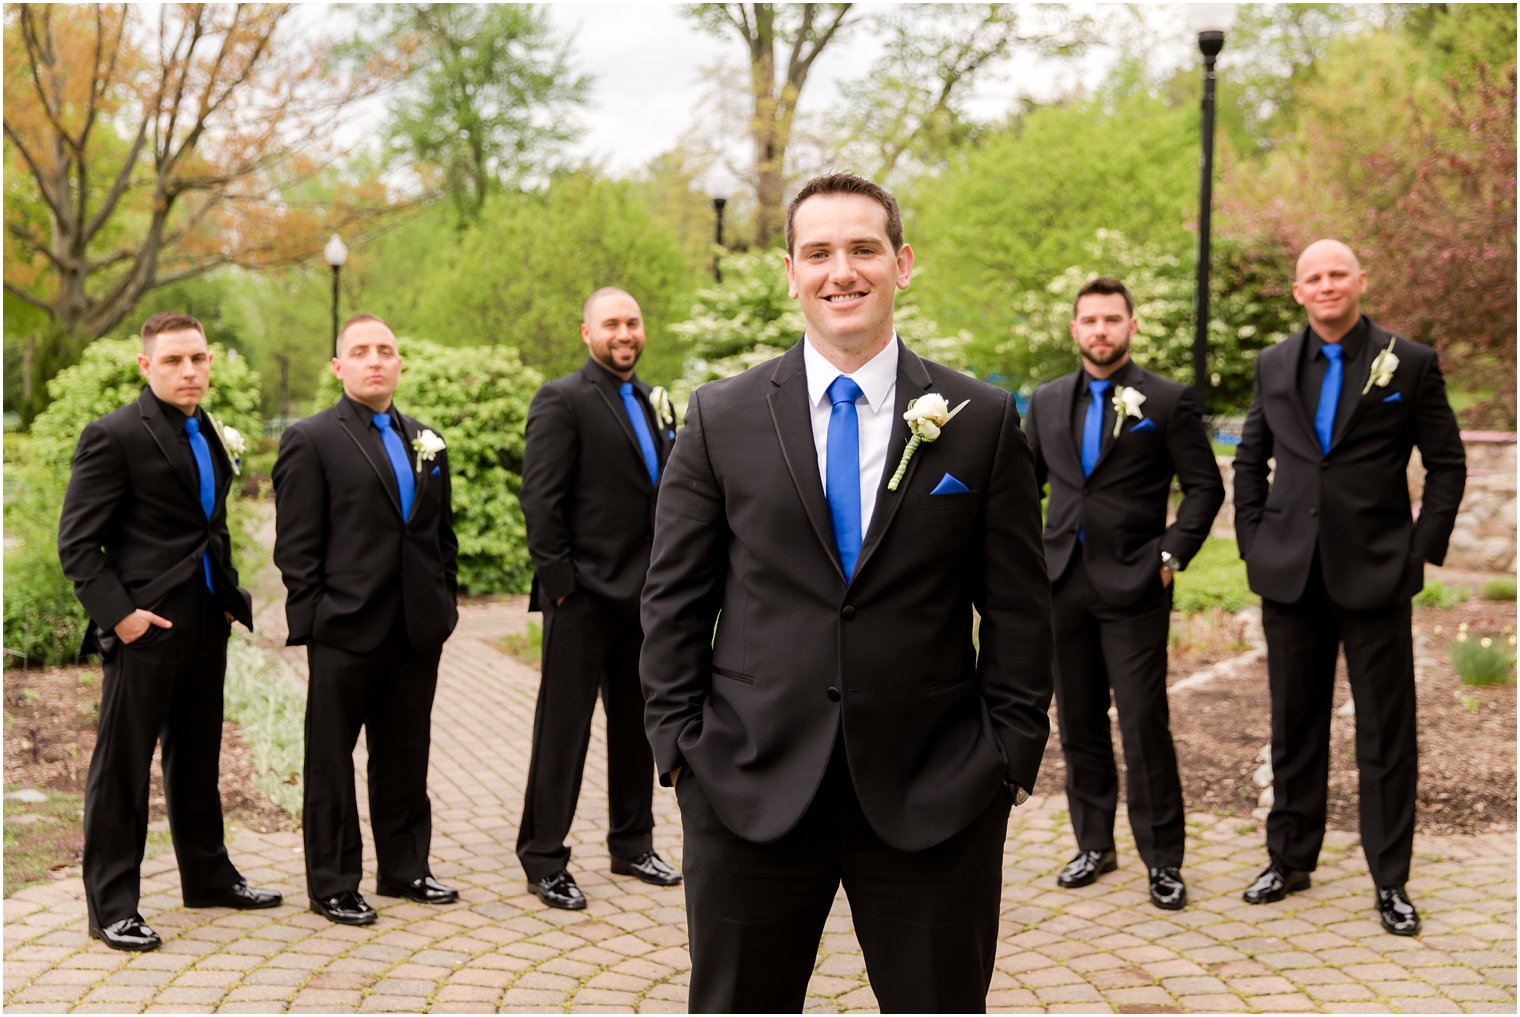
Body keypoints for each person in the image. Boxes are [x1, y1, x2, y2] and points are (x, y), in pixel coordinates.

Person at [640, 172, 1054, 1012]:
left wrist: (1007, 755)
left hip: (935, 790)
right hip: (748, 783)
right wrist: (681, 751)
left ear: (902, 263)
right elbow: (674, 599)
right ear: (790, 272)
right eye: (819, 252)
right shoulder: (721, 416)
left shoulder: (978, 418)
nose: (843, 271)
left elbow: (1017, 605)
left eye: (863, 248)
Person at [1234, 239, 1466, 936]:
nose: (1327, 284)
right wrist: (1254, 540)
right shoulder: (1274, 363)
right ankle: (1289, 858)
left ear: (1361, 281)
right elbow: (1252, 457)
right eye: (1314, 276)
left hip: (1377, 574)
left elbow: (1447, 463)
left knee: (1386, 734)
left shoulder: (1410, 361)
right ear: (1298, 291)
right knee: (1292, 725)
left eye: (1338, 273)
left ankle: (1389, 879)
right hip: (1291, 575)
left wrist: (1417, 552)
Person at [58, 312, 280, 952]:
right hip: (144, 629)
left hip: (205, 622)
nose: (190, 371)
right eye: (176, 360)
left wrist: (230, 595)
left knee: (198, 757)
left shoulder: (208, 429)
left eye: (199, 359)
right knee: (122, 769)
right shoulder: (114, 435)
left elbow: (210, 525)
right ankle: (113, 906)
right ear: (145, 366)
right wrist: (121, 617)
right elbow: (77, 545)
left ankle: (208, 876)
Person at [1023, 278, 1224, 910]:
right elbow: (1021, 488)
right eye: (1090, 320)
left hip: (1136, 584)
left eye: (1112, 319)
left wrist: (1169, 557)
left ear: (1131, 326)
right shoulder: (1048, 401)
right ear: (1075, 328)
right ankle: (1093, 845)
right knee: (1078, 723)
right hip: (1062, 585)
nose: (1100, 330)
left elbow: (1204, 489)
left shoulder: (1166, 399)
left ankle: (1163, 861)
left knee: (1143, 726)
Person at [272, 314, 460, 926]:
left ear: (399, 363)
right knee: (331, 761)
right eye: (360, 351)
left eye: (385, 350)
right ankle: (332, 882)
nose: (374, 360)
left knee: (405, 754)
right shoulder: (311, 439)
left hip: (415, 629)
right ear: (338, 366)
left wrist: (444, 603)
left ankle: (405, 868)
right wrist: (317, 618)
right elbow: (296, 548)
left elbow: (438, 535)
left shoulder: (426, 438)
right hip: (344, 630)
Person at [515, 287, 681, 910]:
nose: (625, 332)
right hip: (580, 599)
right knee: (563, 731)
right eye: (612, 322)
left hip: (643, 597)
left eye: (633, 322)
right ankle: (543, 857)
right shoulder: (562, 399)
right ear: (586, 332)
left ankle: (632, 842)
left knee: (639, 728)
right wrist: (560, 587)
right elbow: (541, 500)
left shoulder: (650, 400)